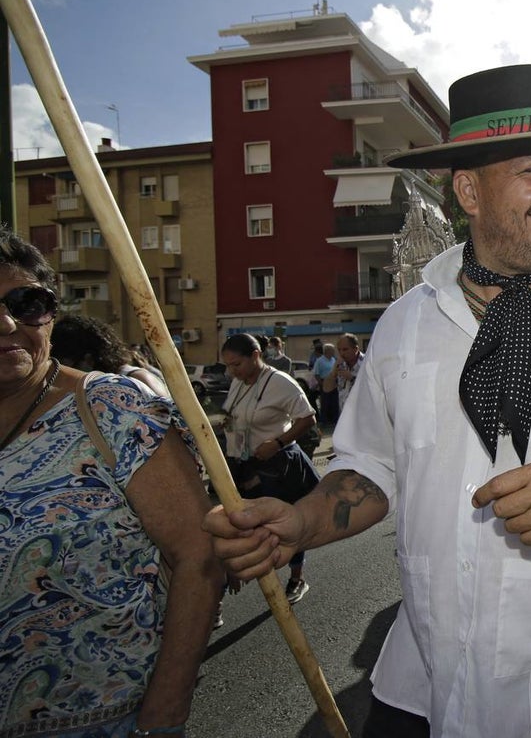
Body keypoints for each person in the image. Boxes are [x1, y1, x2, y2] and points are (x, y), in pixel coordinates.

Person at [205, 63, 531, 738]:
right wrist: (301, 522)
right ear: (468, 188)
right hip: (428, 681)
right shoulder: (404, 322)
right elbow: (372, 467)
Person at [0, 231, 221, 737]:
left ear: (51, 314)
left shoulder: (112, 407)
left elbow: (199, 553)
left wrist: (161, 719)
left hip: (103, 721)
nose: (8, 322)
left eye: (28, 302)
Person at [219, 333, 319, 604]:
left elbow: (308, 418)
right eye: (227, 365)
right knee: (232, 526)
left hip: (277, 465)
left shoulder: (280, 383)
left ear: (255, 356)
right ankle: (218, 594)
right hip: (241, 464)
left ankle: (297, 578)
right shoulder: (238, 382)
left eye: (236, 364)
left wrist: (277, 442)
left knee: (284, 525)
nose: (231, 371)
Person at [50, 313, 171, 397]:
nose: (65, 374)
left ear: (88, 360)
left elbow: (170, 423)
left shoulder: (139, 380)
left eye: (69, 367)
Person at [335, 332, 364, 410]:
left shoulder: (366, 364)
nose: (341, 353)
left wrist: (352, 378)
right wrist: (333, 371)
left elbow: (371, 389)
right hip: (344, 415)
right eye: (339, 350)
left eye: (345, 349)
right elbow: (327, 389)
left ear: (356, 349)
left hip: (362, 414)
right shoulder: (340, 365)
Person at [313, 342, 339, 426]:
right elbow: (316, 373)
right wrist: (321, 384)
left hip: (334, 382)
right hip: (324, 382)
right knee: (325, 403)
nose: (334, 351)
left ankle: (334, 420)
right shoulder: (319, 361)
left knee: (334, 402)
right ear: (327, 351)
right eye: (332, 350)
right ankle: (324, 421)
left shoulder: (333, 360)